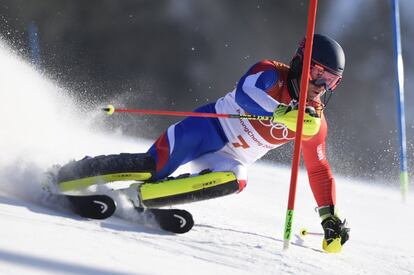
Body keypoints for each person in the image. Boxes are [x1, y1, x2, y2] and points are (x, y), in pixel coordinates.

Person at [146, 34, 350, 252]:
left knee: (236, 179)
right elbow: (246, 94)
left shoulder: (313, 121)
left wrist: (329, 216)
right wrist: (280, 112)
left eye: (331, 81)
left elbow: (318, 169)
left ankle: (148, 198)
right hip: (205, 130)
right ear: (300, 63)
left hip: (228, 159)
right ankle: (117, 174)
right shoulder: (270, 72)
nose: (322, 86)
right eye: (318, 73)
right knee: (152, 166)